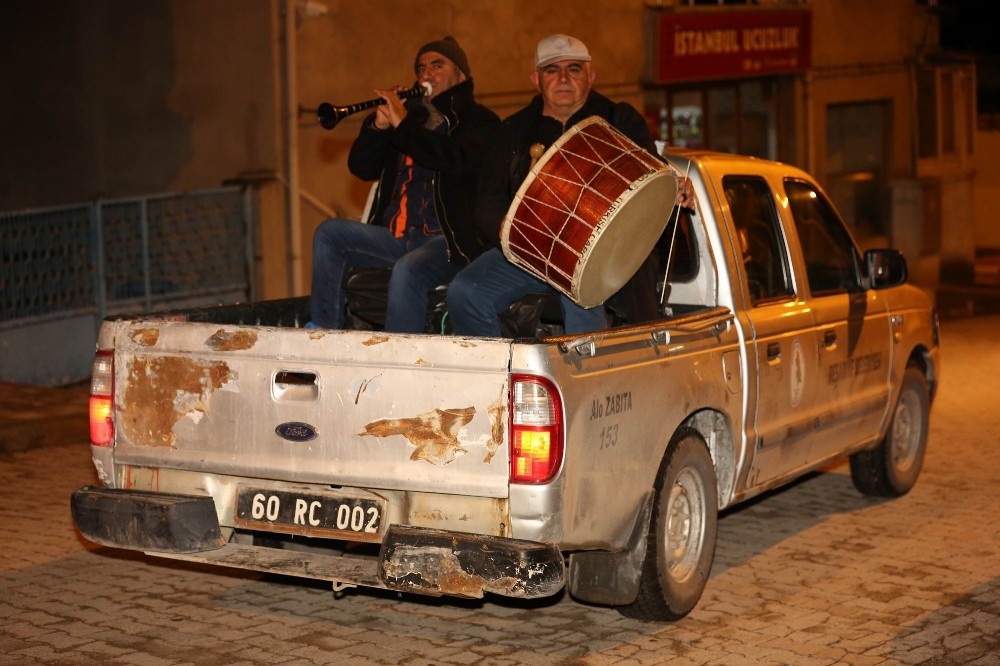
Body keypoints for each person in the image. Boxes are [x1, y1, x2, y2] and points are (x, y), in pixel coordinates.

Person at [445, 34, 676, 337]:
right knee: (465, 291)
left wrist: (675, 185)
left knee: (580, 293)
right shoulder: (512, 130)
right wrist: (504, 228)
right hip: (527, 253)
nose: (564, 78)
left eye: (575, 69)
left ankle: (588, 380)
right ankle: (497, 375)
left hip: (604, 255)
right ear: (535, 79)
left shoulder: (618, 120)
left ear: (591, 76)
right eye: (552, 70)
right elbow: (487, 201)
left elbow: (652, 174)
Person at [309, 36, 500, 331]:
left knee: (408, 269)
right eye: (421, 68)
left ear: (462, 75)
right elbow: (361, 167)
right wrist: (378, 127)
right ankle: (322, 334)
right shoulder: (409, 120)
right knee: (330, 233)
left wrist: (403, 124)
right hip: (397, 238)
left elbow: (453, 159)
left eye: (438, 65)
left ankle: (399, 362)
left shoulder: (480, 122)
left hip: (449, 244)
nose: (426, 74)